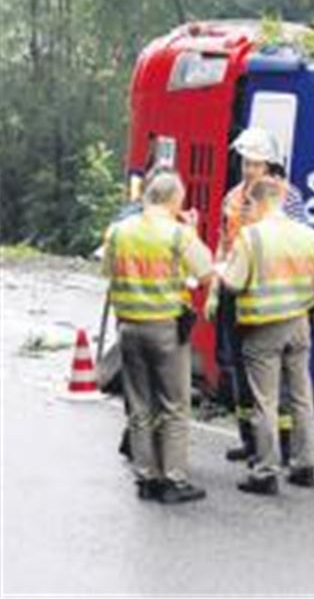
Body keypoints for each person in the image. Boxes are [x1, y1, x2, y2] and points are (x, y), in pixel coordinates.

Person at [102, 172, 213, 504]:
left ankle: (146, 477)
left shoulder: (118, 232)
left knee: (139, 404)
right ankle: (173, 480)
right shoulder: (178, 234)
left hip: (129, 328)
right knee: (174, 405)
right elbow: (206, 272)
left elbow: (108, 272)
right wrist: (191, 229)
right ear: (174, 200)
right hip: (164, 327)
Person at [220, 177, 314, 495]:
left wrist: (223, 271)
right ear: (280, 200)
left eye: (248, 206)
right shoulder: (310, 235)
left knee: (265, 400)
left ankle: (265, 471)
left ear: (255, 203)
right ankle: (305, 466)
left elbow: (234, 283)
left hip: (263, 327)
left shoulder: (250, 237)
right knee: (301, 396)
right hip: (299, 324)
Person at [209, 127, 305, 465]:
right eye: (245, 163)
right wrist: (214, 285)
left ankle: (281, 445)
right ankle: (250, 441)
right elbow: (223, 242)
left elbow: (299, 241)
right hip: (235, 288)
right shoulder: (232, 198)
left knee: (271, 375)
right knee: (237, 368)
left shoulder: (287, 198)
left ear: (270, 166)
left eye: (255, 164)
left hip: (269, 292)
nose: (248, 170)